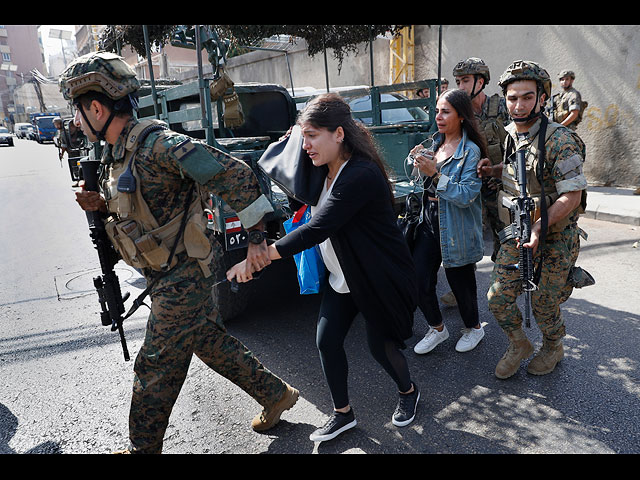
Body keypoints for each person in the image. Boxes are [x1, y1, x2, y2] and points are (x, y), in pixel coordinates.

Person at [58, 51, 299, 454]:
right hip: (163, 271)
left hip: (182, 276)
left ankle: (142, 448)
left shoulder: (160, 146)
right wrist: (99, 204)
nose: (77, 124)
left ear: (97, 108)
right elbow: (137, 208)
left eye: (79, 114)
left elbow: (235, 174)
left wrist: (258, 238)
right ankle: (276, 394)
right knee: (209, 341)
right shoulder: (116, 154)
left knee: (154, 366)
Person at [227, 93, 420, 442]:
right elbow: (277, 167)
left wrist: (258, 258)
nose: (307, 145)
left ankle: (408, 391)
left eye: (314, 136)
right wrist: (295, 138)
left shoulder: (360, 174)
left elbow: (318, 229)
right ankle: (342, 415)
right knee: (327, 340)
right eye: (304, 137)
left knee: (381, 347)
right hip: (342, 275)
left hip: (376, 277)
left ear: (340, 134)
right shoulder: (322, 171)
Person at [480, 60, 588, 379]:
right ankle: (519, 343)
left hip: (555, 232)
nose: (519, 104)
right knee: (497, 297)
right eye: (513, 98)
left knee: (542, 301)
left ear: (542, 98)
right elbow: (521, 170)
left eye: (527, 97)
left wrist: (541, 225)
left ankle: (553, 345)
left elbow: (573, 195)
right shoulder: (512, 133)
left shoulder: (560, 139)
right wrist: (492, 169)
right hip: (521, 227)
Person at [409, 88, 486, 355]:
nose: (438, 116)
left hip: (456, 225)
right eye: (437, 111)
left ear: (461, 116)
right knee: (418, 280)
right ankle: (438, 329)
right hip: (429, 221)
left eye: (446, 111)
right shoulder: (436, 145)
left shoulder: (471, 152)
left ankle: (474, 328)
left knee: (461, 285)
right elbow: (421, 183)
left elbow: (466, 196)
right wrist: (419, 163)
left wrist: (435, 174)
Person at [453, 57, 510, 264]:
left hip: (503, 183)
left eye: (465, 80)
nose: (460, 86)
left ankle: (503, 279)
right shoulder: (460, 115)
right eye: (458, 82)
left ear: (480, 81)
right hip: (475, 183)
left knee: (506, 236)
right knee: (467, 237)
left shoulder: (504, 107)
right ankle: (464, 290)